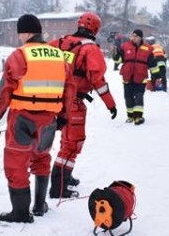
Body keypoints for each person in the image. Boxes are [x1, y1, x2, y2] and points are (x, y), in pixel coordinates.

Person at [0, 14, 74, 223]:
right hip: (49, 119)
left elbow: (5, 91)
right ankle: (40, 205)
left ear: (24, 33)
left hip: (22, 119)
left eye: (19, 33)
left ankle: (20, 213)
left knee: (16, 162)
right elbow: (70, 89)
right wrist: (63, 117)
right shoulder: (59, 56)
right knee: (42, 158)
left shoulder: (19, 56)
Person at [47, 12, 118, 199]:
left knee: (66, 140)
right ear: (95, 29)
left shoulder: (60, 42)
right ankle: (58, 186)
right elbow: (98, 80)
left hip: (56, 100)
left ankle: (65, 176)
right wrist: (111, 104)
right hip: (74, 102)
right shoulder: (90, 49)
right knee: (73, 144)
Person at [114, 29, 155, 124]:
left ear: (140, 37)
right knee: (128, 97)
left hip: (141, 77)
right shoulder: (125, 46)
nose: (133, 37)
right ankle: (130, 116)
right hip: (127, 76)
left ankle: (138, 117)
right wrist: (115, 55)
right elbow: (118, 60)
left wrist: (155, 76)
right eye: (132, 35)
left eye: (136, 36)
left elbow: (152, 63)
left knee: (139, 96)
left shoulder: (148, 48)